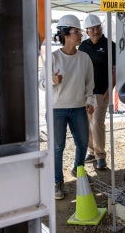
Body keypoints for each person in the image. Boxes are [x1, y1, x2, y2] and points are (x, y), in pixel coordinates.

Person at [39, 14, 95, 200]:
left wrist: (90, 101)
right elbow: (41, 83)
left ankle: (79, 171)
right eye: (76, 31)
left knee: (82, 143)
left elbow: (90, 84)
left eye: (79, 31)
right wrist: (52, 81)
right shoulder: (53, 58)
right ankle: (57, 183)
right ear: (65, 34)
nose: (80, 35)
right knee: (57, 147)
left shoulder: (84, 58)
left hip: (79, 108)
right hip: (56, 110)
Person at [78, 14, 116, 170]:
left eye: (98, 27)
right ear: (86, 31)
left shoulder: (109, 45)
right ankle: (91, 151)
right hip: (85, 92)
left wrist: (110, 88)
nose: (95, 31)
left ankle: (101, 155)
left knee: (97, 124)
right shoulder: (83, 46)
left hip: (101, 91)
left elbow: (115, 70)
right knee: (87, 124)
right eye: (92, 28)